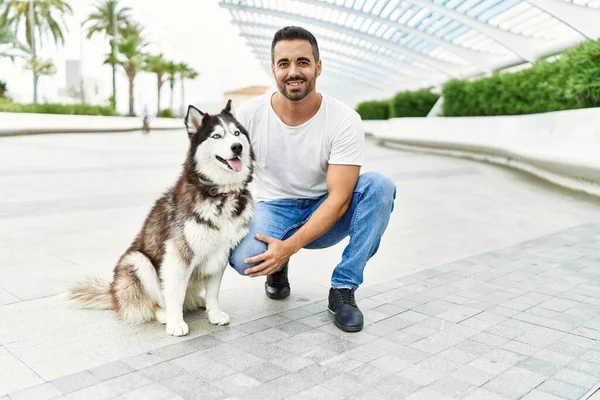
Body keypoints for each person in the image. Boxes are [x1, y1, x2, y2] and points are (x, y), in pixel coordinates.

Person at [228, 26, 396, 332]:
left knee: (380, 185)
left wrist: (288, 246)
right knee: (245, 260)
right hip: (274, 207)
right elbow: (225, 171)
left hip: (326, 210)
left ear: (318, 67)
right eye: (284, 64)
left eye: (303, 62)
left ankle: (343, 289)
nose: (293, 72)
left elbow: (340, 197)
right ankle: (276, 268)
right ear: (274, 69)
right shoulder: (249, 114)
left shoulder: (343, 119)